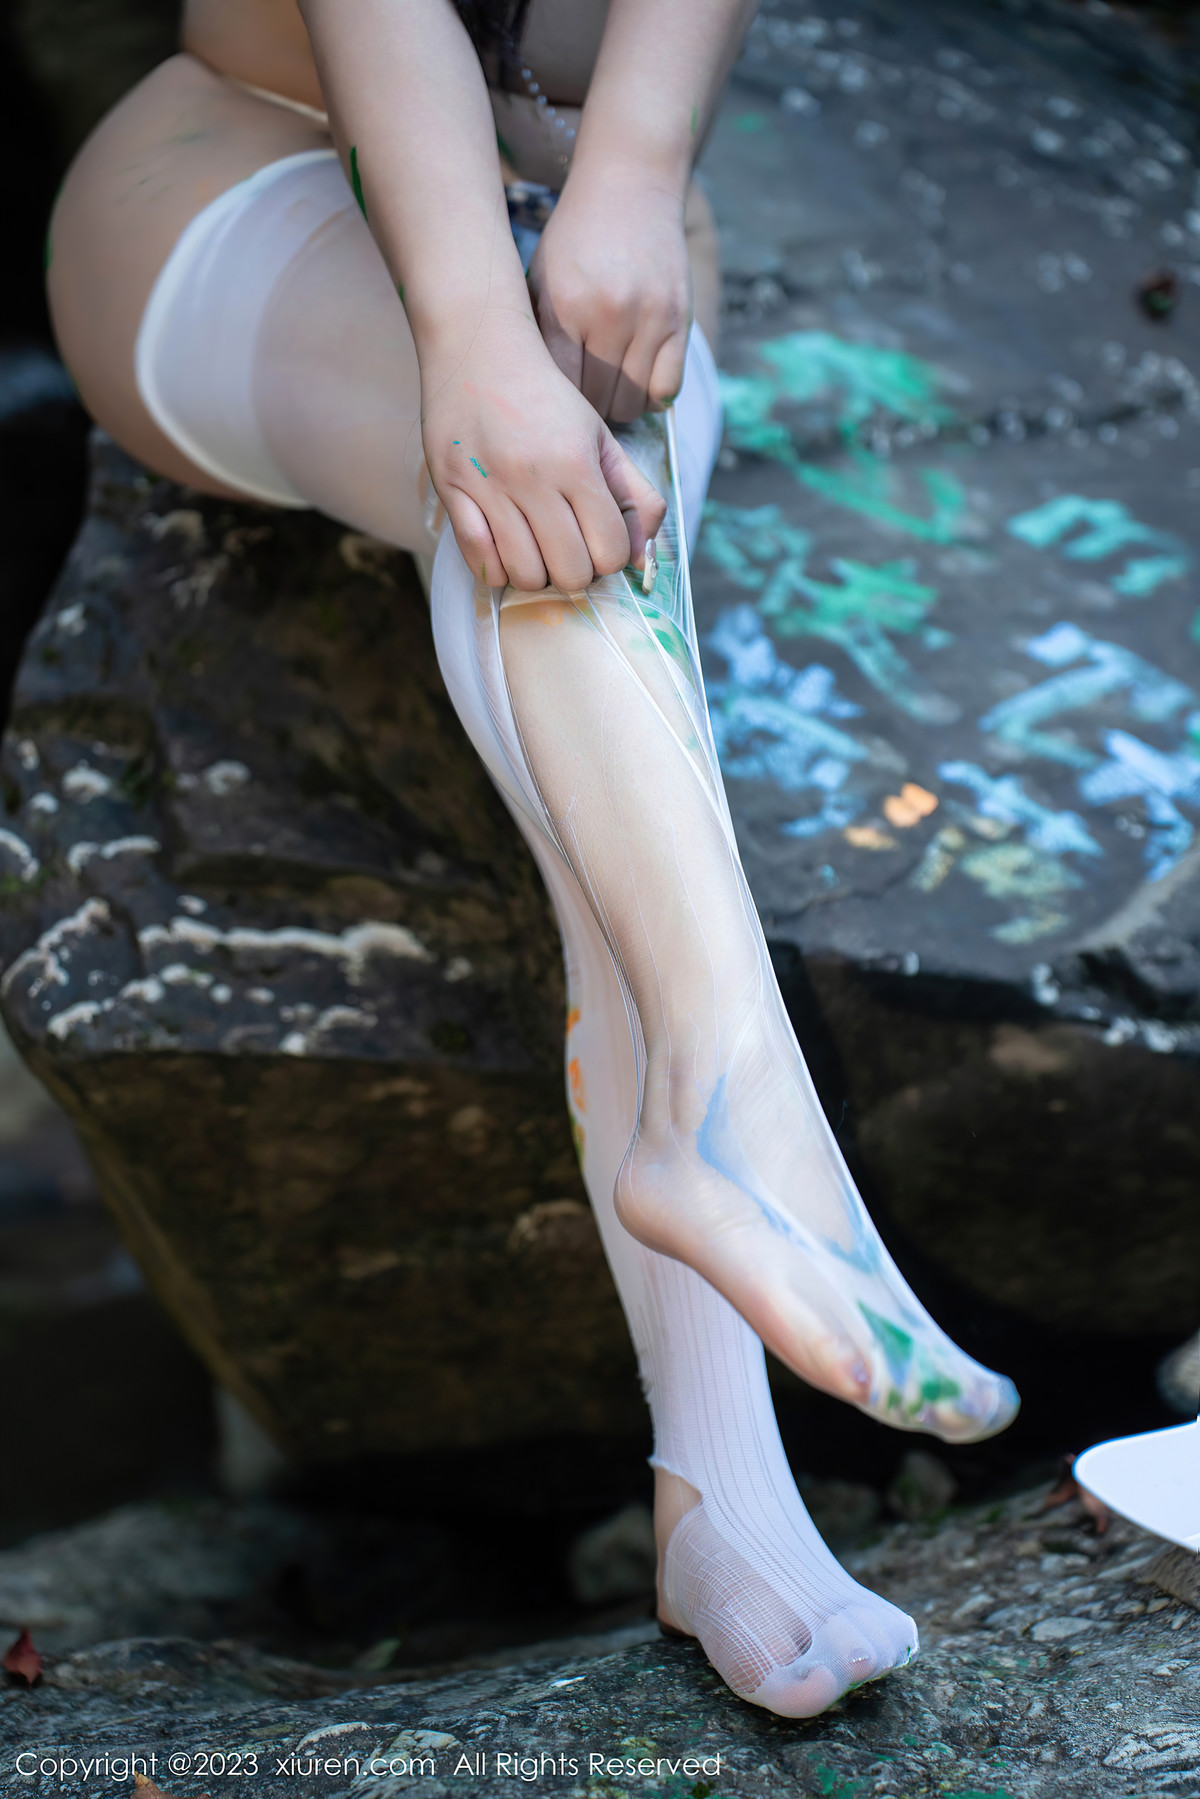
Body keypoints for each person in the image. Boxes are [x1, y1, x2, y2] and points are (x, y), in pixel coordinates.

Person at [46, 0, 1019, 1718]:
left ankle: (725, 1496)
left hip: (598, 234)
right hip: (255, 185)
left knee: (601, 584)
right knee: (551, 526)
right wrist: (470, 330)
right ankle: (735, 1120)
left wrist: (633, 175)